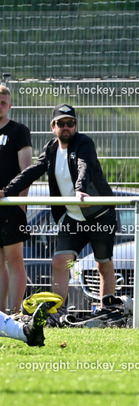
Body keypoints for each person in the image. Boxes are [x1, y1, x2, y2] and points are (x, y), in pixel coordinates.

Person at [0, 103, 117, 308]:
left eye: (70, 123)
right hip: (73, 218)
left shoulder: (84, 143)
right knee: (59, 262)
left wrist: (80, 189)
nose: (66, 127)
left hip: (99, 215)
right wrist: (6, 191)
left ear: (75, 125)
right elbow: (31, 172)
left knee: (103, 265)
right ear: (53, 127)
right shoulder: (51, 149)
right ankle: (58, 313)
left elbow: (84, 165)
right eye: (61, 123)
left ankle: (107, 312)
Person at [0, 85, 31, 313]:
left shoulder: (18, 131)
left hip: (10, 206)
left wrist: (20, 204)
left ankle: (16, 313)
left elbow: (26, 172)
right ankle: (1, 316)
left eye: (3, 103)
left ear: (9, 105)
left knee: (14, 261)